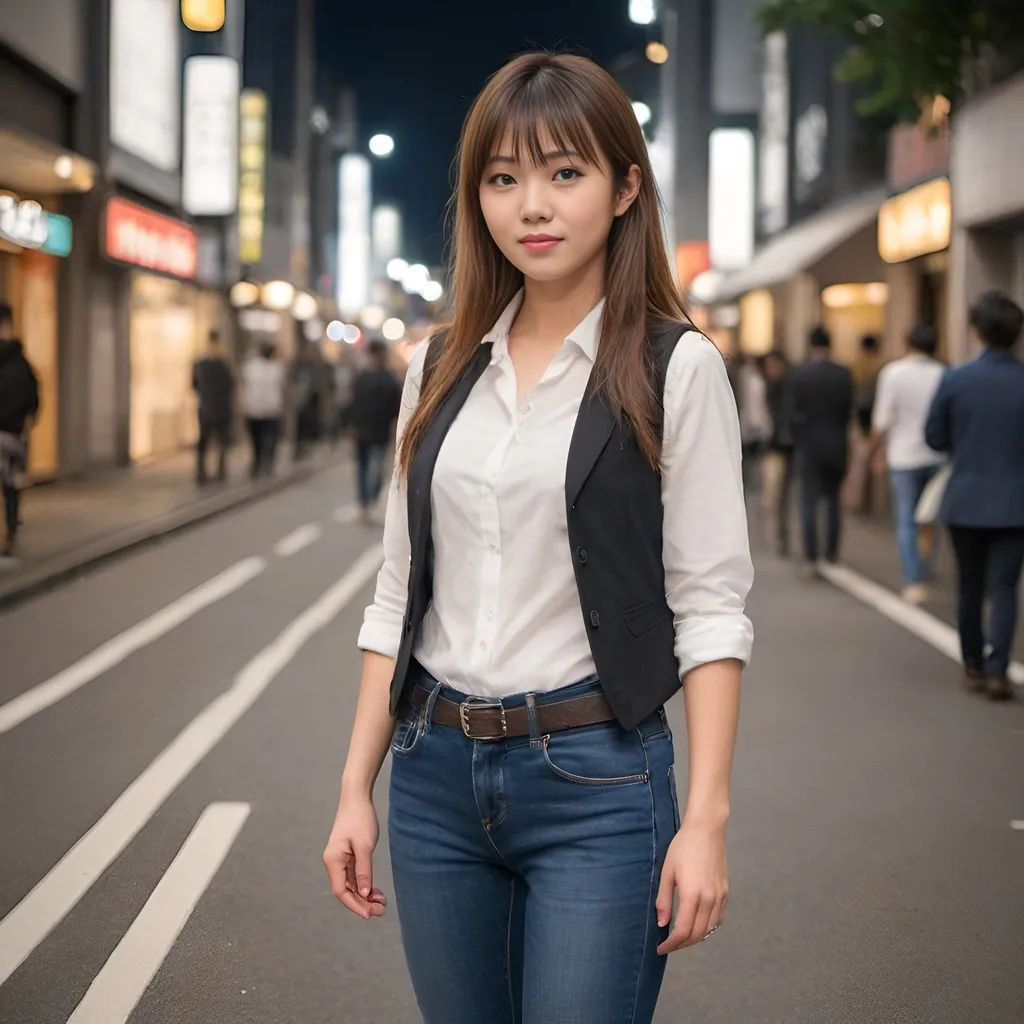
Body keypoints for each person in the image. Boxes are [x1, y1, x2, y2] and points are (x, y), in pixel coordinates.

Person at [323, 52, 753, 1024]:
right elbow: (397, 588)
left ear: (624, 185)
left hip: (597, 776)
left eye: (565, 173)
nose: (532, 206)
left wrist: (706, 819)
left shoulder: (673, 368)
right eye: (503, 178)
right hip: (433, 778)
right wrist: (358, 785)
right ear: (477, 198)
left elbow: (710, 605)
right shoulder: (436, 365)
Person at [925, 290, 1024, 702]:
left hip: (965, 498)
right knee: (1004, 587)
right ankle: (999, 669)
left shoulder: (957, 378)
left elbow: (934, 436)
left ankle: (973, 665)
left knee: (968, 584)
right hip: (1016, 501)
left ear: (977, 330)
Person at [869, 323, 946, 604]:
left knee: (906, 518)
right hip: (937, 455)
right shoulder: (944, 374)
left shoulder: (894, 373)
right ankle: (927, 567)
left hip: (903, 455)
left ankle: (914, 579)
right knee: (930, 517)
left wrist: (873, 451)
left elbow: (882, 419)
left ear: (907, 343)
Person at [789, 325, 854, 574]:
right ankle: (832, 553)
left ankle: (811, 555)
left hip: (809, 444)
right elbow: (848, 412)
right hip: (837, 442)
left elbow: (793, 412)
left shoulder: (801, 374)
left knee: (809, 500)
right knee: (833, 500)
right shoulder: (843, 374)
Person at [0, 302, 39, 558]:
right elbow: (35, 401)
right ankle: (11, 532)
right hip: (15, 435)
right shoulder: (23, 364)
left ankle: (11, 533)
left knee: (10, 485)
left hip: (6, 433)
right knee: (11, 487)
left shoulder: (14, 364)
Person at [348, 339, 401, 522]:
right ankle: (365, 502)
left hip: (377, 430)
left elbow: (395, 406)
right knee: (365, 467)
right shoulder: (365, 377)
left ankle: (369, 501)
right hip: (366, 429)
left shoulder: (386, 379)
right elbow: (353, 403)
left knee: (375, 468)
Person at [761, 350, 795, 556]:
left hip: (786, 447)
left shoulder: (788, 387)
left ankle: (782, 536)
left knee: (782, 494)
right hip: (773, 447)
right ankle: (778, 536)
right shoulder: (768, 387)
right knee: (773, 494)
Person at [192, 330, 234, 485]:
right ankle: (220, 470)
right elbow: (230, 385)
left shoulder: (200, 362)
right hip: (221, 407)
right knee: (220, 441)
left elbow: (194, 384)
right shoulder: (223, 361)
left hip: (206, 406)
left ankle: (201, 472)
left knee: (204, 441)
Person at [241, 341, 285, 478]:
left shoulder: (251, 367)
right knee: (270, 438)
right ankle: (268, 463)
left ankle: (258, 462)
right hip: (271, 409)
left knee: (256, 440)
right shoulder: (277, 368)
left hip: (254, 409)